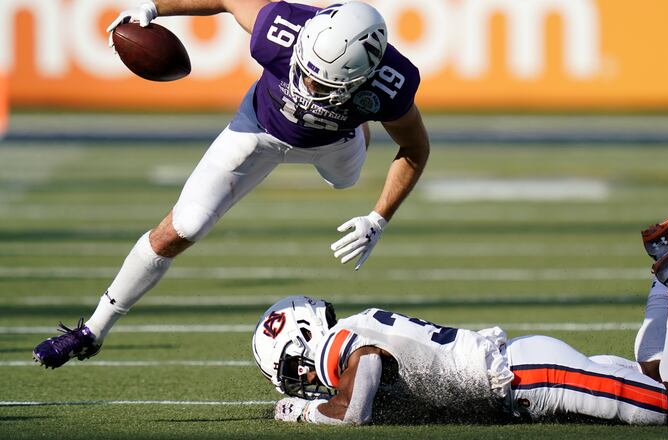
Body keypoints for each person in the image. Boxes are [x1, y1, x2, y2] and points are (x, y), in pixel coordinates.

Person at [32, 0, 430, 369]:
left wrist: (379, 218)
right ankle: (93, 330)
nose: (309, 89)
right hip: (257, 128)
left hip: (334, 144)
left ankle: (360, 130)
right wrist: (154, 7)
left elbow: (414, 147)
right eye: (307, 74)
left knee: (345, 182)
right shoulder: (280, 29)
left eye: (323, 87)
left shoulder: (391, 83)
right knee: (182, 228)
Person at [252, 193, 668, 425]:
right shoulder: (354, 327)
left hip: (531, 376)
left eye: (291, 366)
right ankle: (664, 272)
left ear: (304, 337)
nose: (300, 378)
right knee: (656, 374)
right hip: (526, 369)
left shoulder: (344, 346)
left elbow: (355, 404)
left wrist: (304, 412)